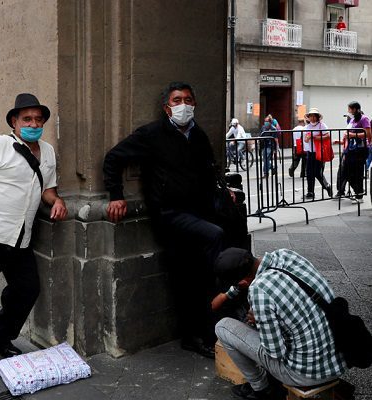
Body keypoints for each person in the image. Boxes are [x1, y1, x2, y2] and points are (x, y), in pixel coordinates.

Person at [103, 81, 236, 359]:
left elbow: (208, 171)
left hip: (198, 211)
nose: (183, 105)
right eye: (177, 100)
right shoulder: (152, 134)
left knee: (196, 274)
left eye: (188, 99)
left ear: (195, 104)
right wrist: (116, 195)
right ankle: (195, 333)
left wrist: (224, 190)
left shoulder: (198, 135)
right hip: (171, 215)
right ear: (167, 107)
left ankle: (212, 326)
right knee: (204, 254)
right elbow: (113, 158)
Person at [0, 93, 68, 378]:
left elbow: (47, 189)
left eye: (38, 119)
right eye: (27, 119)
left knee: (27, 289)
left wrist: (56, 201)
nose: (33, 123)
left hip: (21, 238)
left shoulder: (47, 151)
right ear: (14, 122)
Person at [214, 248, 346, 400]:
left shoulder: (259, 289)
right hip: (338, 359)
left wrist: (260, 323)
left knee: (223, 327)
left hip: (305, 373)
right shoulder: (287, 255)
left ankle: (261, 389)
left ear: (243, 281)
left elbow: (275, 353)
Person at [334, 101, 371, 204]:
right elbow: (348, 134)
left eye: (350, 109)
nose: (348, 111)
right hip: (350, 149)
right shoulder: (352, 120)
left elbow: (367, 134)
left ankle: (359, 196)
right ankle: (358, 191)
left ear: (355, 109)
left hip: (360, 149)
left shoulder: (364, 119)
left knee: (357, 173)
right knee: (346, 171)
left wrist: (352, 135)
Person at [303, 108, 332, 200]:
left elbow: (327, 136)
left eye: (314, 116)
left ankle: (327, 186)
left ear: (317, 117)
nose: (312, 118)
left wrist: (314, 137)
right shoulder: (306, 127)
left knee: (317, 172)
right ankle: (310, 192)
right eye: (310, 116)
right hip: (310, 152)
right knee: (309, 172)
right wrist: (307, 139)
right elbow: (305, 139)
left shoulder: (322, 126)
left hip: (320, 152)